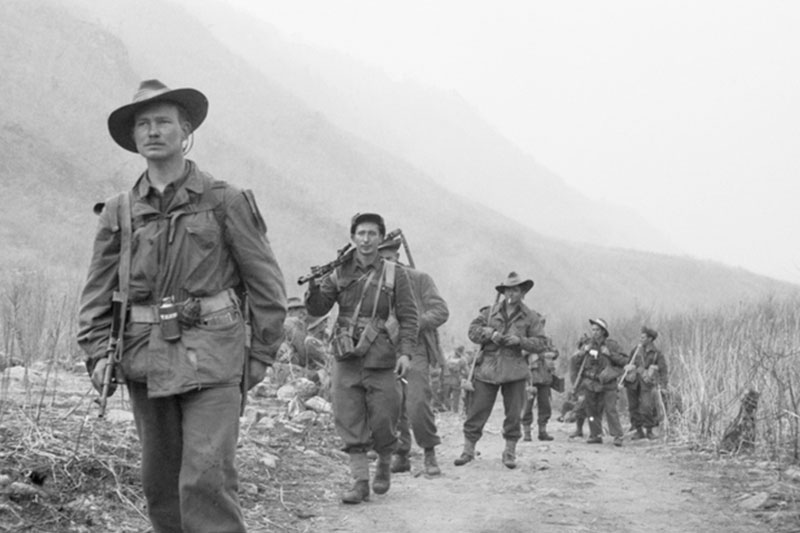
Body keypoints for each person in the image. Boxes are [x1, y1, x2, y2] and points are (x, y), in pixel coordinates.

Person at [78, 80, 287, 532]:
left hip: (214, 359)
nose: (154, 131)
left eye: (164, 122)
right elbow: (97, 289)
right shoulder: (120, 211)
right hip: (144, 358)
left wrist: (262, 355)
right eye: (143, 125)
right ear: (134, 138)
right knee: (160, 483)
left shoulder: (224, 200)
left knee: (206, 478)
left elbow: (266, 284)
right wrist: (97, 352)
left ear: (185, 129)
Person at [305, 213, 418, 504]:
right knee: (348, 417)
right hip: (345, 355)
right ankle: (360, 482)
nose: (366, 239)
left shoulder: (395, 274)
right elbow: (318, 307)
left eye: (372, 234)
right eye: (361, 233)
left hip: (382, 356)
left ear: (381, 238)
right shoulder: (340, 271)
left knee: (385, 416)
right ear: (353, 237)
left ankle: (383, 462)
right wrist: (315, 286)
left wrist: (405, 353)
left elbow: (408, 316)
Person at [455, 272, 551, 469]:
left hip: (515, 369)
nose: (511, 293)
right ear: (504, 291)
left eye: (516, 290)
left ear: (523, 292)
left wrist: (520, 341)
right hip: (487, 369)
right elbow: (472, 331)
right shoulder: (489, 313)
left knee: (514, 413)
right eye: (508, 289)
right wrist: (489, 333)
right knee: (477, 410)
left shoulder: (531, 317)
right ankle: (468, 450)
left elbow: (542, 343)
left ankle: (509, 452)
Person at [377, 237, 449, 477]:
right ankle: (401, 453)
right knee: (391, 404)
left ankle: (429, 451)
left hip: (416, 347)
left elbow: (440, 311)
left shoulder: (419, 279)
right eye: (381, 259)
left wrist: (414, 323)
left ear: (397, 257)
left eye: (389, 257)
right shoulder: (371, 284)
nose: (385, 263)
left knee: (417, 402)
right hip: (385, 348)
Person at [572, 319, 627, 446]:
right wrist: (582, 352)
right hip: (590, 383)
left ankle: (618, 435)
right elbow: (575, 362)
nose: (594, 332)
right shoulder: (587, 344)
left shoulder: (612, 345)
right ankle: (595, 434)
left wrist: (610, 354)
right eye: (593, 330)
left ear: (603, 331)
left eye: (597, 330)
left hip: (608, 383)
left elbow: (625, 361)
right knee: (591, 411)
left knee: (610, 410)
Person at [623, 326, 669, 440]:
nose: (640, 339)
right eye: (640, 337)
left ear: (650, 339)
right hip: (632, 382)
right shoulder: (635, 350)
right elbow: (628, 363)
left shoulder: (657, 354)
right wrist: (628, 368)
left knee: (646, 406)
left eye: (643, 337)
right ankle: (638, 431)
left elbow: (663, 370)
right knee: (633, 407)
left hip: (646, 383)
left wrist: (663, 385)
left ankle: (649, 430)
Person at [521, 339, 559, 442]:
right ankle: (527, 432)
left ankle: (542, 432)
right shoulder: (525, 341)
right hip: (529, 380)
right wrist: (528, 351)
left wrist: (546, 354)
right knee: (527, 407)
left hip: (545, 379)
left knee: (545, 406)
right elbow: (518, 355)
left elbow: (555, 353)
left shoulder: (547, 341)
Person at [441, 346, 469, 413]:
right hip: (456, 381)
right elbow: (467, 372)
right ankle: (455, 412)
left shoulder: (448, 359)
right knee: (456, 399)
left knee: (446, 397)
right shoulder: (463, 360)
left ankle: (447, 411)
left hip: (446, 380)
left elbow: (443, 369)